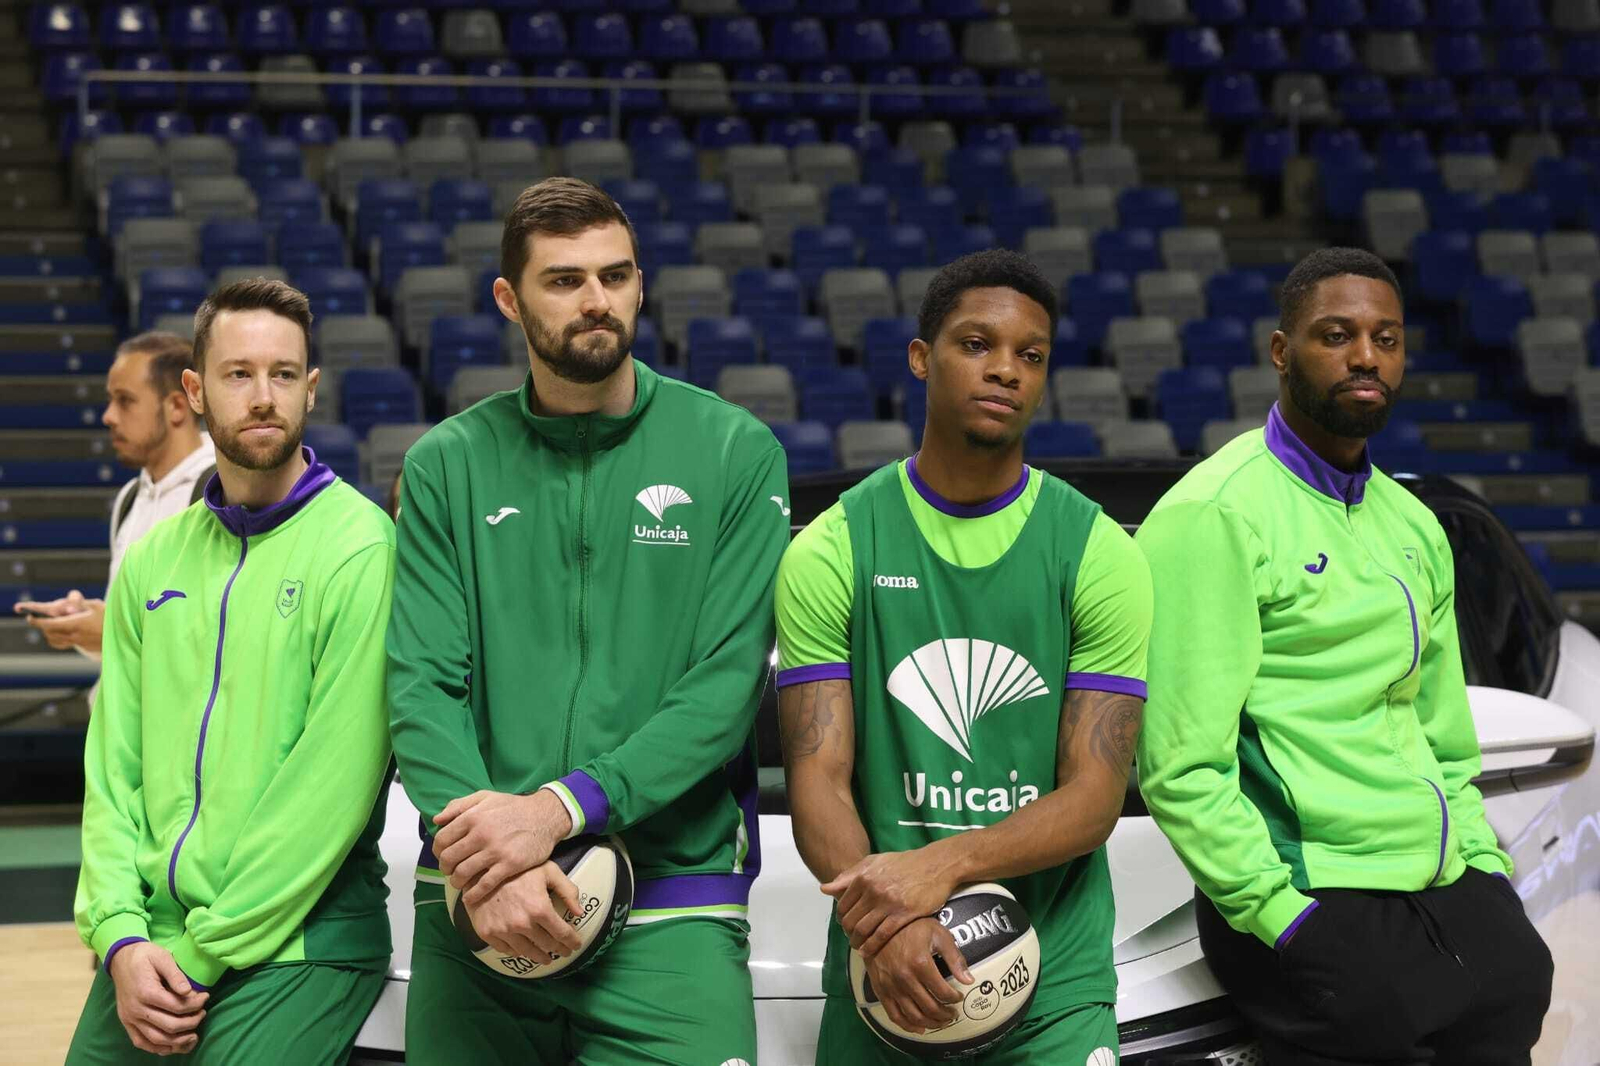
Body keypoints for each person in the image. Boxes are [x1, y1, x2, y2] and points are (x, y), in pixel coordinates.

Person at [387, 177, 789, 1066]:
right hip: (480, 893)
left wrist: (560, 810)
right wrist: (488, 852)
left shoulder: (733, 451)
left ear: (641, 285)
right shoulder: (447, 465)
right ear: (509, 298)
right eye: (564, 280)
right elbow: (422, 685)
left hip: (672, 894)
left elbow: (723, 691)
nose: (597, 300)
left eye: (616, 276)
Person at [1136, 247, 1553, 1065]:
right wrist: (1278, 913)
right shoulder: (1215, 516)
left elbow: (1443, 738)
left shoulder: (1413, 523)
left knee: (1519, 982)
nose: (1366, 355)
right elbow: (1182, 764)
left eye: (1386, 338)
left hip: (1439, 882)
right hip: (1310, 888)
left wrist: (1483, 868)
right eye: (1337, 334)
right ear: (1282, 352)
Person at [775, 249, 1151, 1064]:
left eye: (1030, 355)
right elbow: (817, 778)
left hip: (1053, 981)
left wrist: (938, 870)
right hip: (886, 966)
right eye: (976, 345)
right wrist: (897, 922)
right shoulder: (836, 545)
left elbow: (1094, 795)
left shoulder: (1097, 552)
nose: (1006, 370)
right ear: (921, 358)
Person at [66, 279, 397, 1064]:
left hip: (299, 941)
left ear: (311, 391)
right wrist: (119, 938)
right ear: (196, 391)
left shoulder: (361, 547)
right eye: (238, 374)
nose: (263, 396)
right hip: (154, 943)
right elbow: (113, 771)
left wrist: (198, 956)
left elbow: (327, 796)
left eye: (284, 375)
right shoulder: (155, 557)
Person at [13, 331, 214, 659]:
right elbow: (128, 636)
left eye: (125, 400)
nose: (108, 416)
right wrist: (88, 622)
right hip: (119, 708)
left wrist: (111, 632)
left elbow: (215, 639)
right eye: (110, 400)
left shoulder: (218, 493)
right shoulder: (130, 497)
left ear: (177, 406)